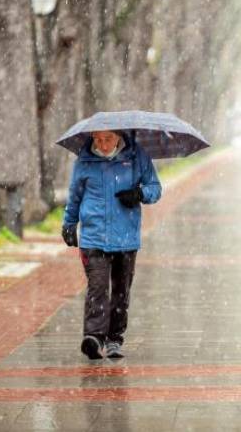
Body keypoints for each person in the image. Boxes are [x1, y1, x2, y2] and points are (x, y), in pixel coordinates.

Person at [62, 130, 162, 360]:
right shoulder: (84, 160)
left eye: (107, 139)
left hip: (125, 237)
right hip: (93, 236)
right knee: (97, 287)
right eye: (98, 139)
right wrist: (69, 223)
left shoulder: (137, 157)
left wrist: (139, 193)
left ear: (119, 137)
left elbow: (155, 188)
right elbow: (75, 195)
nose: (102, 145)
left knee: (120, 290)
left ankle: (115, 339)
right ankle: (94, 337)